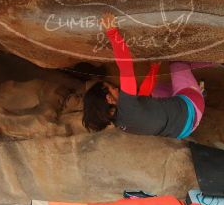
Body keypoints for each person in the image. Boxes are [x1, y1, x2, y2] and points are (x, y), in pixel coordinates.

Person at [83, 12, 211, 139]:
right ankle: (213, 62)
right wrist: (112, 32)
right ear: (109, 99)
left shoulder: (120, 123)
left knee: (156, 90)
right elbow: (125, 67)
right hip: (192, 107)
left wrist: (154, 69)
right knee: (176, 62)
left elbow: (144, 94)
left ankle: (193, 87)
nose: (117, 88)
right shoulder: (126, 104)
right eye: (112, 88)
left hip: (183, 131)